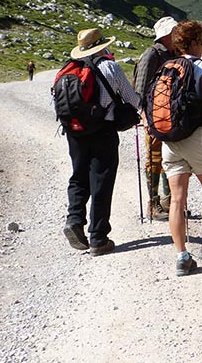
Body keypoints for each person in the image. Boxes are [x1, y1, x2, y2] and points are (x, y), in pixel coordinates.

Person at [62, 28, 141, 256]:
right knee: (101, 181)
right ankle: (98, 238)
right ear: (101, 46)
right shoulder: (110, 66)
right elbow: (131, 99)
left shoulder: (69, 69)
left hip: (75, 132)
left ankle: (74, 220)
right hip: (103, 131)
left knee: (79, 175)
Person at [160, 20, 202, 277]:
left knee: (178, 198)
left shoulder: (167, 66)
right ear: (193, 43)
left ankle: (182, 257)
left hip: (170, 140)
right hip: (196, 138)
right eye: (200, 41)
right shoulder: (201, 66)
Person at [133, 16, 177, 222]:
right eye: (173, 31)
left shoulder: (172, 54)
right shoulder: (152, 55)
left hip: (170, 115)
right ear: (166, 35)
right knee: (154, 157)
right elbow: (140, 91)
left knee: (170, 156)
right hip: (153, 116)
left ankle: (169, 201)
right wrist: (145, 117)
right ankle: (153, 203)